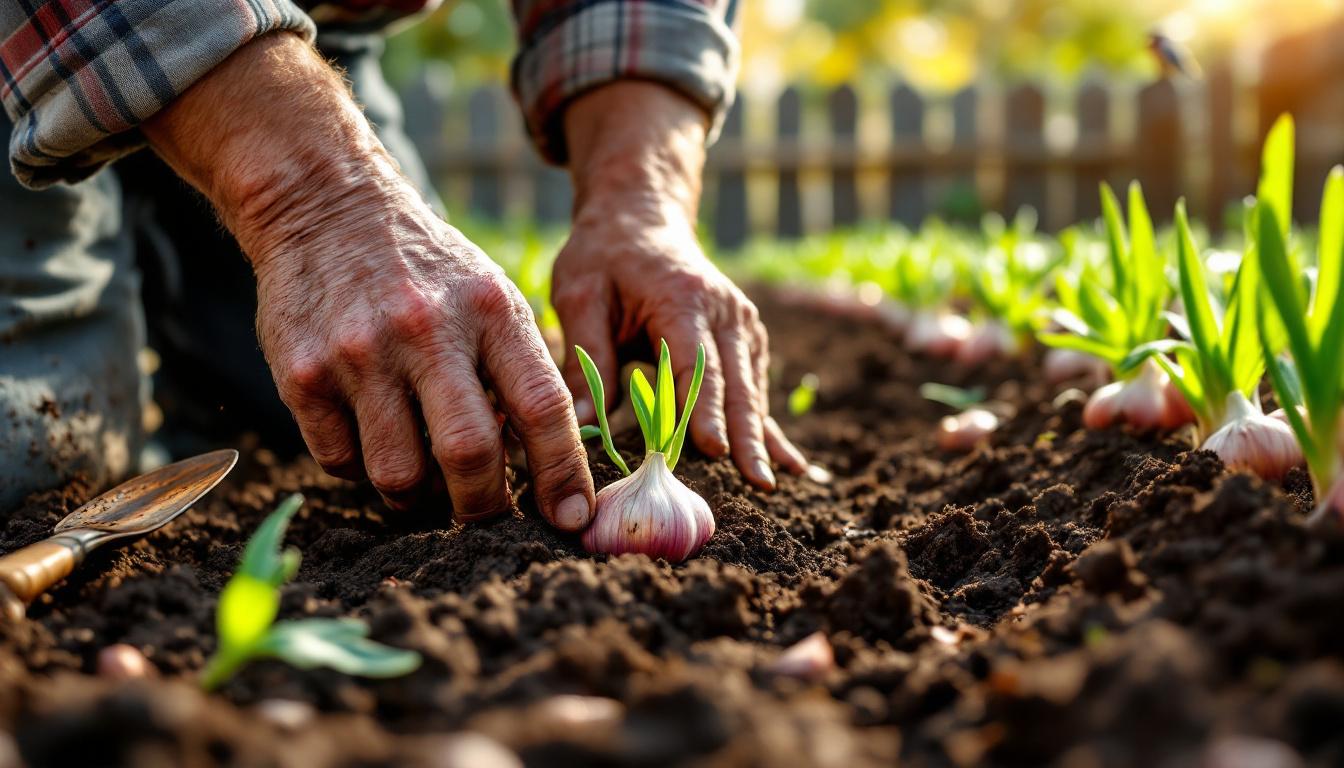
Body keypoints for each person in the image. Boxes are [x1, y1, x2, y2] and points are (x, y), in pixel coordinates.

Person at [0, 1, 807, 526]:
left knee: (394, 409)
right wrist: (316, 199)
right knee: (34, 462)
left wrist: (638, 196)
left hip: (304, 33)